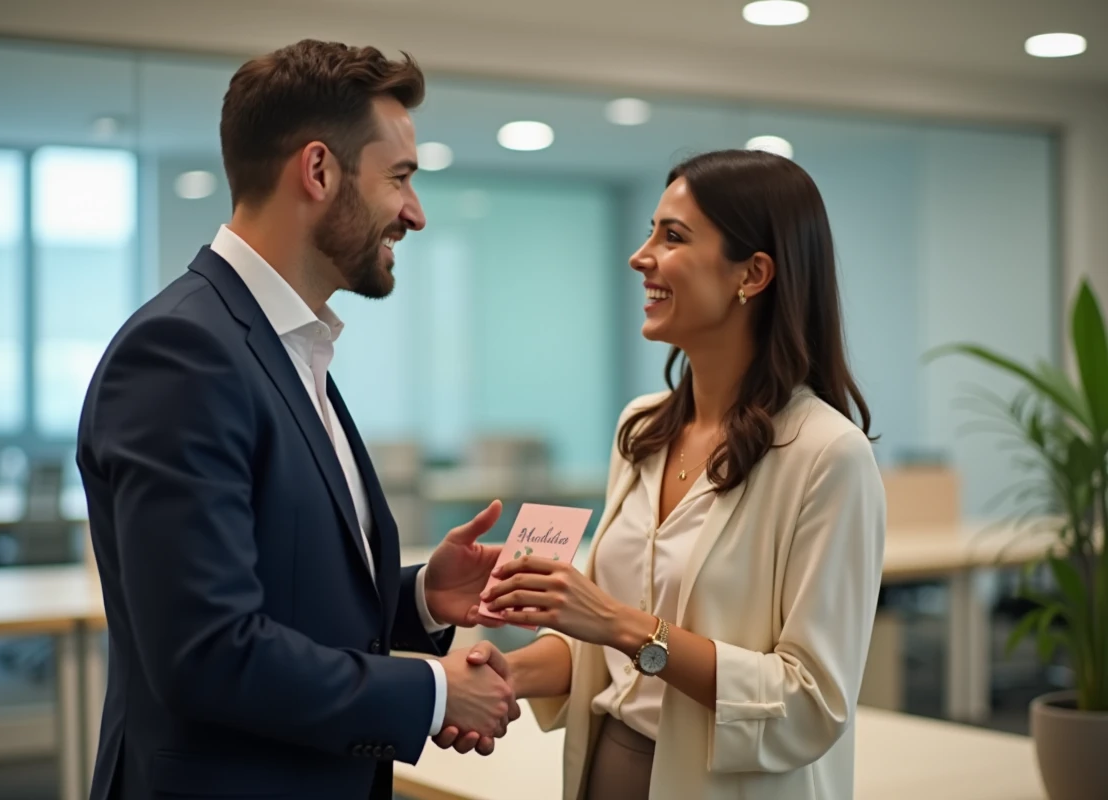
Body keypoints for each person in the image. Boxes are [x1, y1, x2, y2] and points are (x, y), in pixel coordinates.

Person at [77, 39, 517, 800]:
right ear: (318, 171)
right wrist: (435, 693)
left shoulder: (283, 345)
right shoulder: (184, 352)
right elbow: (209, 653)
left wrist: (415, 600)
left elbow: (278, 590)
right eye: (401, 179)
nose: (414, 213)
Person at [474, 149, 886, 799]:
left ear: (752, 274)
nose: (641, 257)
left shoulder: (826, 455)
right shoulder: (640, 430)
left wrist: (622, 625)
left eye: (672, 236)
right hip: (605, 769)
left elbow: (810, 702)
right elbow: (607, 655)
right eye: (650, 231)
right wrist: (506, 673)